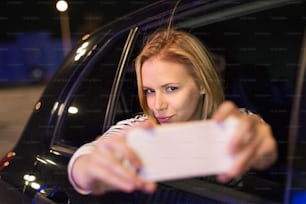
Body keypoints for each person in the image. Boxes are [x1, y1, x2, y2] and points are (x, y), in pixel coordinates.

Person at [67, 28, 277, 195]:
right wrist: (86, 169)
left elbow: (258, 140)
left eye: (171, 89)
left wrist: (263, 150)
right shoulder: (140, 130)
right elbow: (87, 159)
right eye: (149, 91)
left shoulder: (234, 124)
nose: (157, 105)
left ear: (202, 84)